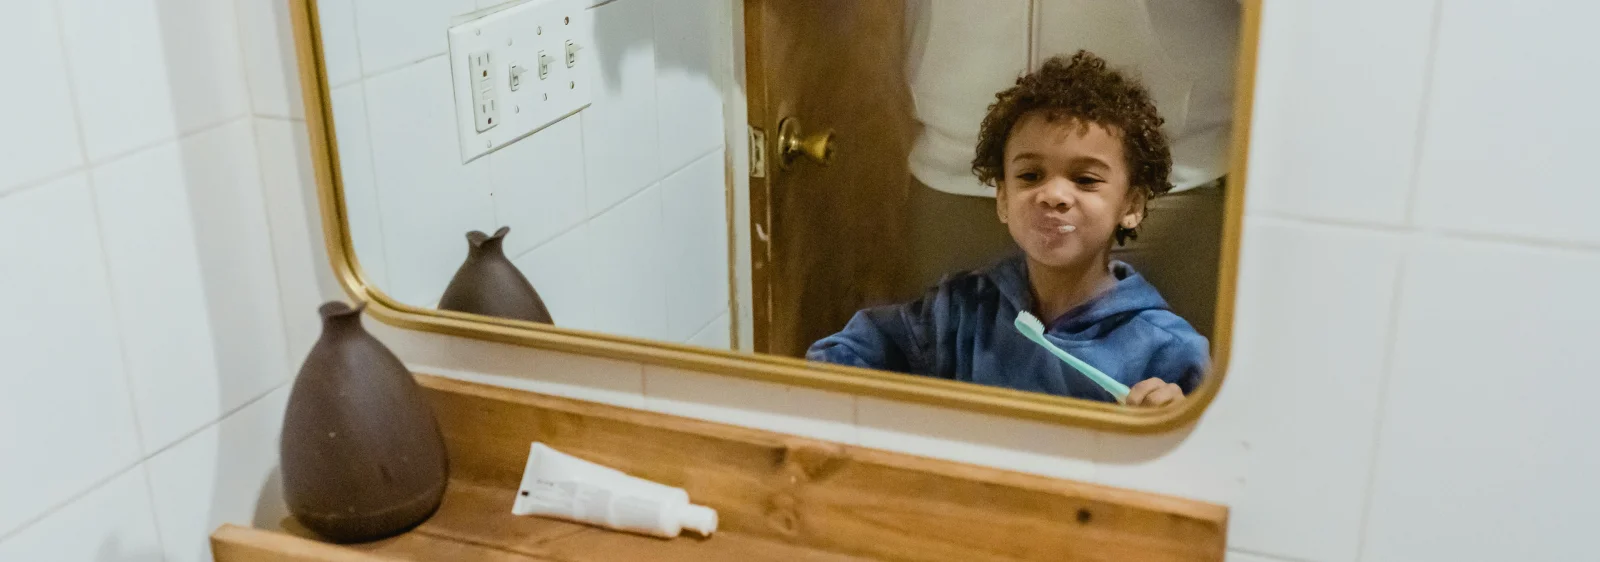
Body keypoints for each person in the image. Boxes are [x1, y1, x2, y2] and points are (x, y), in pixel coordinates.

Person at [806, 51, 1208, 407]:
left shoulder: (1169, 349)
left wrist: (1175, 421)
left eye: (1085, 180)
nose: (1053, 195)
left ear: (1132, 206)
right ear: (1002, 199)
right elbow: (841, 359)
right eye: (1031, 175)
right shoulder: (958, 312)